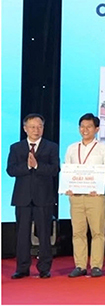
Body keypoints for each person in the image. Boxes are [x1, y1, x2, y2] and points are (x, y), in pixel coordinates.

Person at [7, 114, 59, 279]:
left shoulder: (51, 147)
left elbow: (54, 170)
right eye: (32, 127)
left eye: (39, 127)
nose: (36, 130)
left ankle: (44, 268)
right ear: (25, 128)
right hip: (22, 197)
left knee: (44, 234)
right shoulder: (16, 148)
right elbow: (11, 170)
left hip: (44, 197)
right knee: (22, 234)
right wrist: (27, 166)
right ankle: (22, 268)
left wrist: (37, 165)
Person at [64, 113, 105, 278]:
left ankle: (96, 265)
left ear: (97, 129)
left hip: (95, 196)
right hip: (76, 196)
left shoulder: (104, 148)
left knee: (97, 231)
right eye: (82, 126)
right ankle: (80, 265)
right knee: (78, 232)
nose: (85, 130)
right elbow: (67, 171)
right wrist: (68, 187)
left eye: (89, 127)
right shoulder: (72, 148)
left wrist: (99, 184)